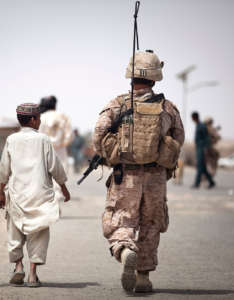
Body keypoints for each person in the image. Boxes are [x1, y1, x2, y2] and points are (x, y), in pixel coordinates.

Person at [93, 50, 184, 293]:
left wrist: (110, 155)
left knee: (121, 218)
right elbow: (178, 139)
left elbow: (99, 134)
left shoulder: (117, 104)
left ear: (130, 77)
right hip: (155, 177)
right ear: (155, 79)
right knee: (151, 224)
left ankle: (125, 251)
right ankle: (143, 277)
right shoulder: (168, 108)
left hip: (126, 176)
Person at [0, 103, 70, 287]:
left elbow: (4, 169)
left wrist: (1, 194)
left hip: (16, 194)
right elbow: (55, 167)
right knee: (38, 233)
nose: (40, 121)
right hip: (40, 195)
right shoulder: (43, 140)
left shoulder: (11, 140)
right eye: (38, 118)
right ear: (32, 120)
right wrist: (64, 188)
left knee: (14, 233)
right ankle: (32, 274)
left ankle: (19, 266)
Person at [39, 96, 73, 201]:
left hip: (44, 149)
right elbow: (69, 135)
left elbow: (37, 134)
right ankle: (56, 200)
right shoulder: (63, 116)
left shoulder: (41, 117)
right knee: (59, 177)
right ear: (55, 105)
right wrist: (63, 144)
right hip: (60, 150)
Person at [191, 112, 215, 189]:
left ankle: (197, 183)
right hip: (199, 148)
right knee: (203, 168)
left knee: (199, 167)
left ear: (194, 118)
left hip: (201, 149)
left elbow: (206, 138)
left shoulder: (201, 126)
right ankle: (211, 182)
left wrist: (205, 149)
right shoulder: (198, 125)